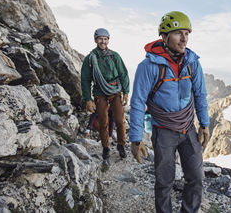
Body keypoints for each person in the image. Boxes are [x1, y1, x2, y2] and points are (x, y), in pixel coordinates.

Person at [129, 11, 210, 213]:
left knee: (197, 178)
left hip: (188, 128)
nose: (184, 39)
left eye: (187, 33)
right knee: (164, 181)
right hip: (164, 130)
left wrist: (205, 124)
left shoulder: (192, 62)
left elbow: (200, 94)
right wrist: (135, 138)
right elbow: (138, 101)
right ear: (164, 37)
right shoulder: (148, 67)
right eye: (178, 33)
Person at [81, 28, 130, 160]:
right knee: (103, 122)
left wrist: (125, 92)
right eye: (100, 39)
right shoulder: (90, 59)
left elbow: (123, 74)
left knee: (120, 120)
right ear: (96, 40)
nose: (103, 41)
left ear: (108, 40)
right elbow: (85, 79)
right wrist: (88, 99)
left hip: (115, 91)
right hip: (99, 92)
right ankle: (106, 147)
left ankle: (121, 145)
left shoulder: (115, 56)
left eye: (105, 39)